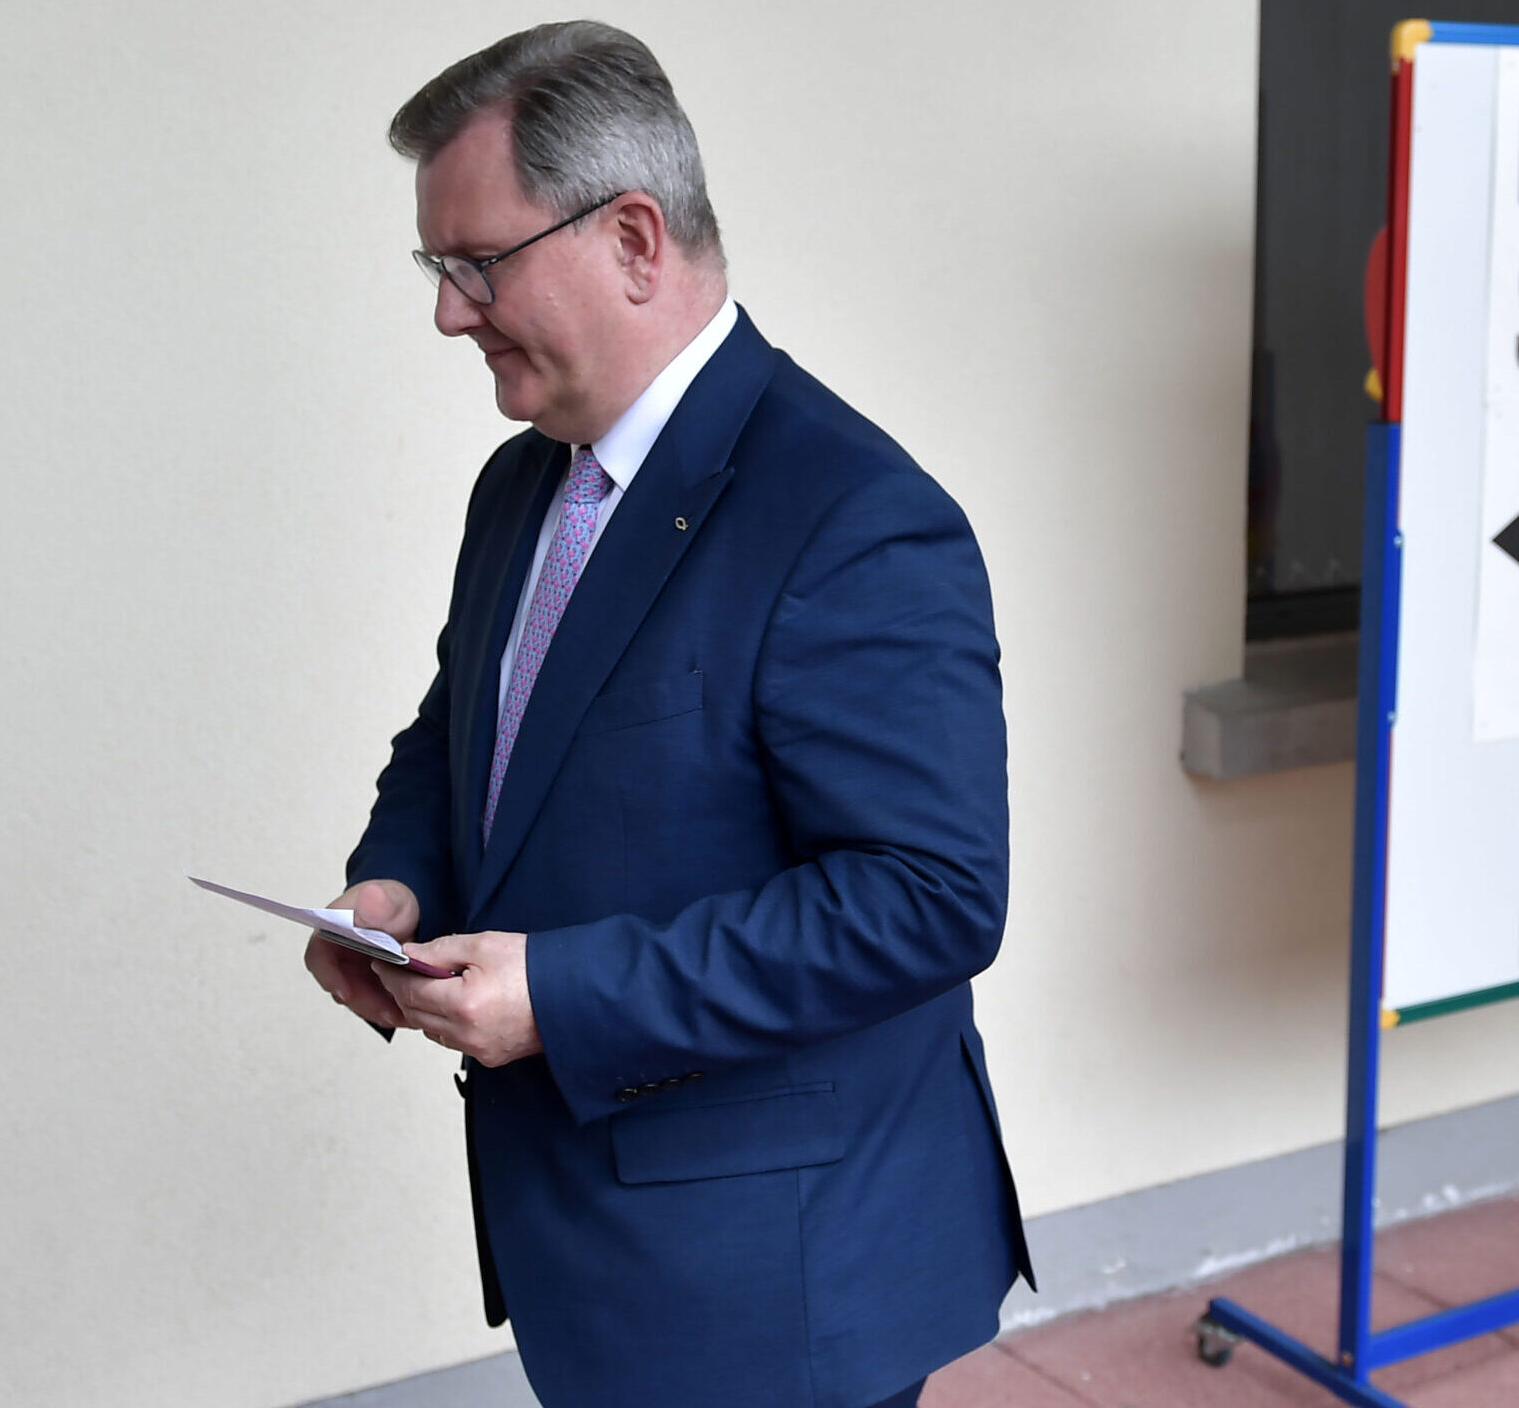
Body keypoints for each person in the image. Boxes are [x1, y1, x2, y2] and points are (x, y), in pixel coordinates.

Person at [300, 21, 1031, 1408]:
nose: (447, 312)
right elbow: (469, 723)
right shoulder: (522, 488)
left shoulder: (857, 518)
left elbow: (933, 899)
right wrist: (398, 879)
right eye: (433, 269)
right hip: (596, 1249)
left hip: (775, 1280)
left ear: (634, 238)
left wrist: (564, 997)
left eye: (476, 264)